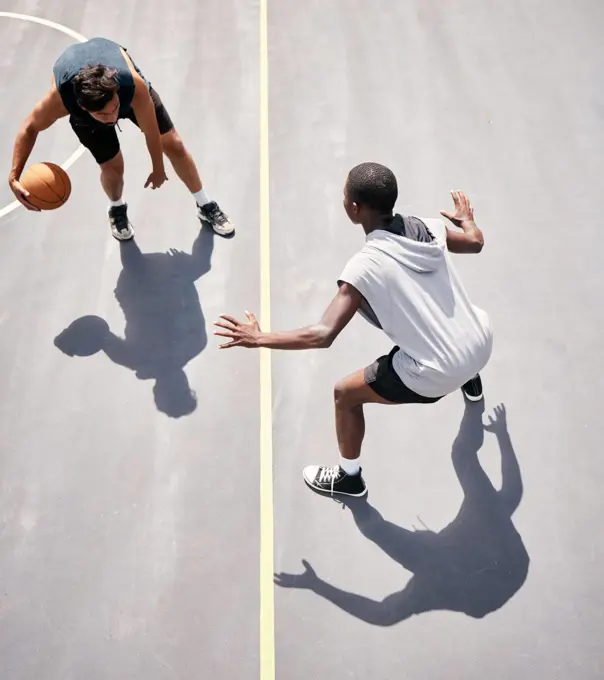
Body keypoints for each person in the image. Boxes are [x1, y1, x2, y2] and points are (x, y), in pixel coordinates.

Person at [213, 162, 493, 498]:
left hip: (438, 370)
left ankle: (349, 478)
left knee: (344, 394)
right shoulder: (430, 227)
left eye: (345, 196)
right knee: (448, 313)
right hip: (479, 341)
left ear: (355, 209)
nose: (344, 200)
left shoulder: (364, 266)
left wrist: (258, 338)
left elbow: (323, 333)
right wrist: (467, 220)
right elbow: (475, 243)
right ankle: (469, 376)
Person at [8, 36, 234, 240]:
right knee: (112, 166)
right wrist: (14, 176)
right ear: (82, 108)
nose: (112, 117)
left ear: (116, 93)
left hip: (125, 91)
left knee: (173, 145)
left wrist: (158, 167)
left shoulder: (133, 87)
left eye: (114, 108)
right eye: (102, 114)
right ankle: (116, 207)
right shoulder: (60, 100)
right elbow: (29, 128)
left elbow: (151, 129)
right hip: (86, 100)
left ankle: (205, 204)